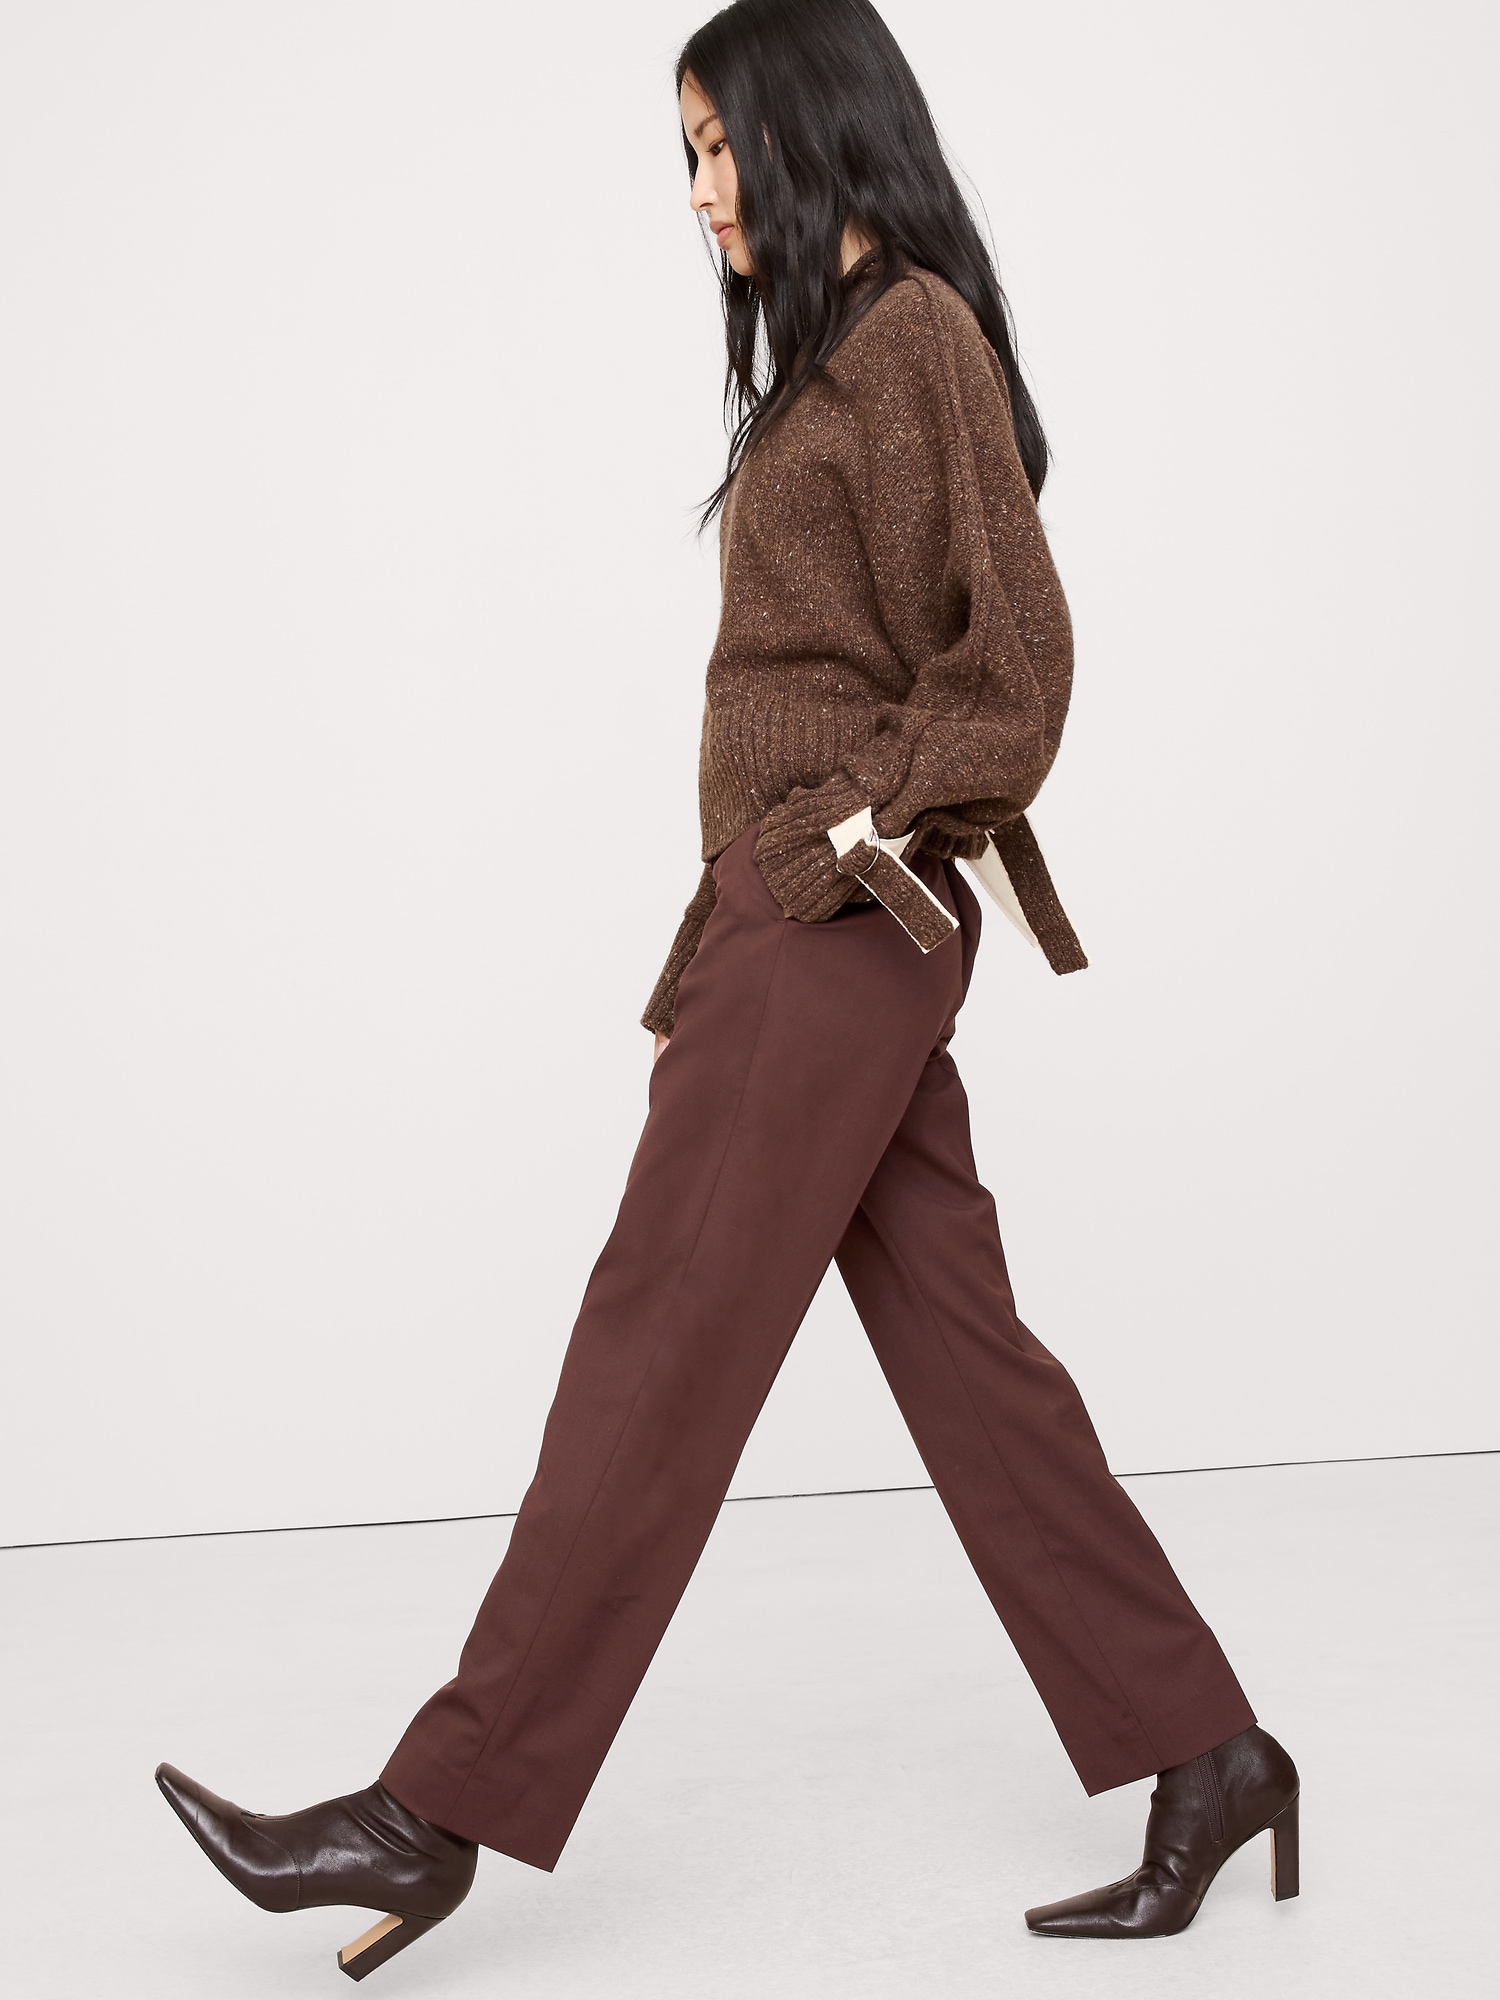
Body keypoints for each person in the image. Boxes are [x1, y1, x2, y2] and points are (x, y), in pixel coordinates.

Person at [154, 0, 1299, 1978]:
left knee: (659, 1331)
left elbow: (1016, 669)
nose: (696, 191)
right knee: (967, 1359)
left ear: (804, 119)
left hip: (832, 925)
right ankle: (1212, 1751)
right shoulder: (840, 356)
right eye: (679, 154)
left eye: (712, 142)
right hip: (817, 915)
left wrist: (831, 842)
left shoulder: (915, 336)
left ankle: (431, 1813)